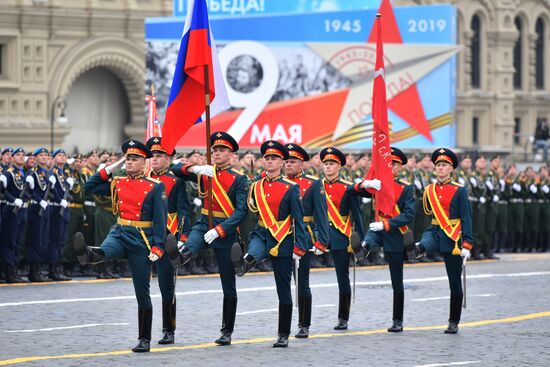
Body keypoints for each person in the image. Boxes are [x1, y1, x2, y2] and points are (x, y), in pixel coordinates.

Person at [74, 139, 167, 353]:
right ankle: (90, 254)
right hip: (120, 231)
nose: (130, 162)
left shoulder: (155, 186)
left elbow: (160, 219)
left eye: (135, 159)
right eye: (128, 158)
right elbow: (89, 187)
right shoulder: (118, 181)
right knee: (105, 251)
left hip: (141, 238)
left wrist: (158, 246)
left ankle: (144, 338)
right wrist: (112, 167)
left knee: (142, 291)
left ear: (144, 162)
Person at [166, 132, 249, 346]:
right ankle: (180, 256)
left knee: (228, 286)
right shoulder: (205, 173)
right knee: (191, 244)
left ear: (231, 155)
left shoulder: (239, 179)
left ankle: (226, 331)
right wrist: (195, 168)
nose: (218, 153)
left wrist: (220, 230)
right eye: (215, 150)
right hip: (204, 222)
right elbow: (174, 170)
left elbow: (241, 212)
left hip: (226, 231)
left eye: (222, 150)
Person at [231, 140, 308, 348]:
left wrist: (300, 247)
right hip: (262, 232)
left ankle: (283, 334)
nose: (270, 161)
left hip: (282, 239)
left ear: (282, 162)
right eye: (267, 158)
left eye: (274, 158)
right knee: (254, 250)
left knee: (283, 290)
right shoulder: (256, 185)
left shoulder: (291, 188)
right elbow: (249, 212)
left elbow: (299, 220)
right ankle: (245, 262)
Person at [410, 148, 474, 334]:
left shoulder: (460, 190)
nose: (440, 168)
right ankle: (419, 249)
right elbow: (428, 215)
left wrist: (467, 244)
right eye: (438, 165)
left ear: (451, 169)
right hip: (435, 229)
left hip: (453, 236)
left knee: (454, 282)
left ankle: (453, 321)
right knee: (425, 241)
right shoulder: (428, 189)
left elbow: (466, 218)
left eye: (444, 165)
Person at [355, 147, 415, 332]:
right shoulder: (377, 184)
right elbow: (357, 191)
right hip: (377, 229)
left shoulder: (406, 187)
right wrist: (365, 184)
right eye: (387, 164)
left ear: (400, 168)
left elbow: (408, 215)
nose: (390, 167)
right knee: (371, 235)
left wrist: (388, 225)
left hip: (395, 233)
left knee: (397, 281)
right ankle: (362, 250)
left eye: (394, 164)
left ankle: (398, 320)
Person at [318, 146, 376, 330]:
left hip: (340, 237)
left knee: (342, 278)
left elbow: (359, 209)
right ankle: (304, 321)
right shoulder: (316, 186)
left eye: (332, 164)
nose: (328, 167)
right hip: (319, 235)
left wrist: (361, 241)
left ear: (339, 166)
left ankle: (343, 317)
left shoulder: (347, 187)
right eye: (326, 163)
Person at [146, 136, 191, 345]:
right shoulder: (142, 178)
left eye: (160, 155)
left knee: (167, 286)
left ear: (169, 158)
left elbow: (183, 209)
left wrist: (182, 237)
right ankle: (143, 331)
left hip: (167, 236)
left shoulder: (176, 180)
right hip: (144, 236)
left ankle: (168, 329)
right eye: (152, 155)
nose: (155, 159)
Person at [283, 143, 330, 338]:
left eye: (292, 161)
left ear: (301, 163)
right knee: (284, 283)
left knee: (302, 282)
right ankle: (283, 324)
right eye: (286, 161)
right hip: (281, 235)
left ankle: (304, 324)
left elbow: (322, 214)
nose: (288, 165)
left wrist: (322, 241)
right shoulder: (277, 182)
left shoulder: (313, 183)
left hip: (304, 235)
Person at [1, 147, 30, 283]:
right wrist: (13, 199)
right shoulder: (9, 173)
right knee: (10, 241)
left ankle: (15, 270)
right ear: (12, 158)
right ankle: (9, 273)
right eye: (17, 155)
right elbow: (2, 191)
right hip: (11, 210)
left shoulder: (22, 173)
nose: (20, 157)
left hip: (22, 211)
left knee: (18, 242)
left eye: (22, 155)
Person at [25, 147, 52, 282]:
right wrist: (39, 200)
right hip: (35, 208)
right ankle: (33, 271)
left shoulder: (45, 173)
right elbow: (29, 191)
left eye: (45, 155)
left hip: (44, 208)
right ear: (35, 158)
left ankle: (39, 268)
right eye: (40, 155)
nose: (43, 157)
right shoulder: (32, 173)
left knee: (43, 239)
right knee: (35, 240)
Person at [46, 148, 72, 281]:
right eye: (59, 155)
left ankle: (58, 267)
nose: (63, 157)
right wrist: (59, 200)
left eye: (64, 155)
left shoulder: (63, 174)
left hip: (63, 209)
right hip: (56, 209)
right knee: (55, 240)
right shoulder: (53, 173)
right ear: (54, 158)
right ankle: (53, 269)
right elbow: (51, 191)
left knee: (61, 240)